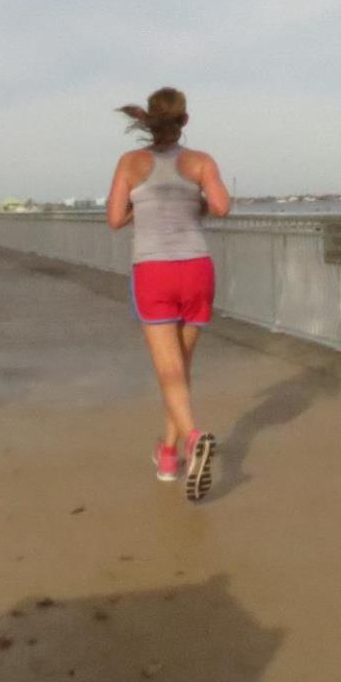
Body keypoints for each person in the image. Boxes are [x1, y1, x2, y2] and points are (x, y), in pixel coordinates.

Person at [106, 86, 231, 501]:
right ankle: (167, 454)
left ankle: (194, 440)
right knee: (182, 367)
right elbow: (221, 206)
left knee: (168, 371)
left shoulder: (130, 162)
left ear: (149, 119)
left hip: (154, 272)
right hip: (197, 269)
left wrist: (138, 208)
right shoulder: (201, 161)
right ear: (185, 121)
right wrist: (193, 203)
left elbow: (113, 219)